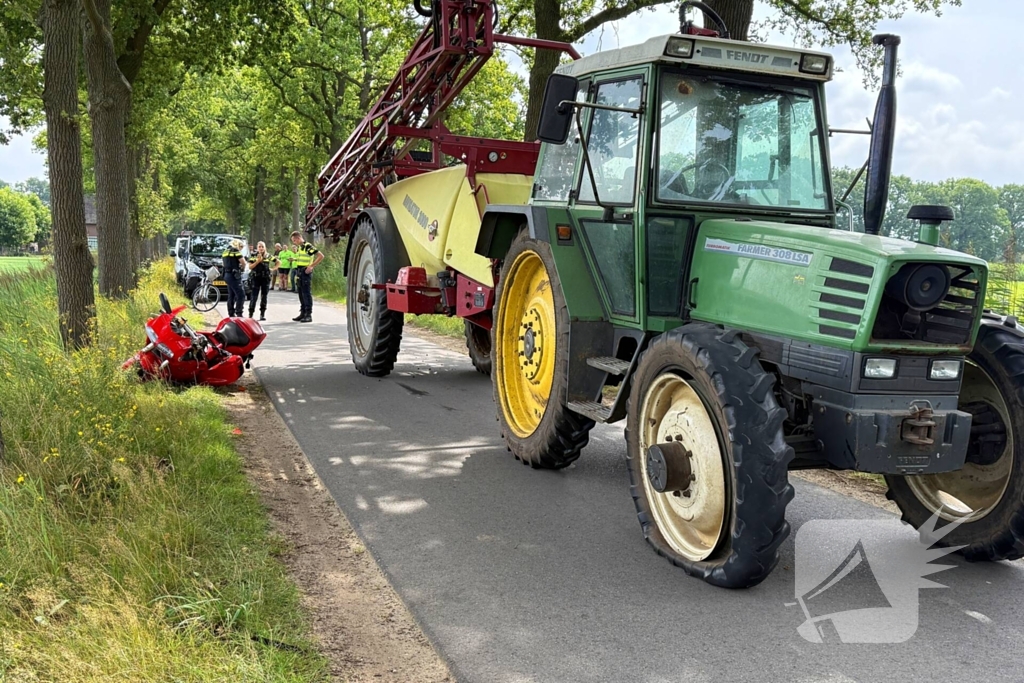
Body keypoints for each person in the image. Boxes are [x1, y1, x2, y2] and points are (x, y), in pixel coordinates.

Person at [290, 230, 323, 323]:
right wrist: (295, 259)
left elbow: (320, 256)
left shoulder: (307, 246)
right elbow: (303, 258)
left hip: (305, 272)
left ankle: (308, 314)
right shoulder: (300, 247)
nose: (294, 242)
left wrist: (311, 266)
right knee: (300, 293)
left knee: (306, 293)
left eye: (294, 240)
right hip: (299, 272)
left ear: (298, 238)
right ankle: (303, 312)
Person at [247, 241, 273, 321]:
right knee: (254, 296)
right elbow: (250, 267)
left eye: (262, 247)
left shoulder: (268, 256)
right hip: (256, 278)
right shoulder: (253, 255)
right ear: (257, 248)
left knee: (264, 296)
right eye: (259, 247)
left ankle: (262, 314)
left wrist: (273, 269)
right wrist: (257, 261)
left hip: (265, 278)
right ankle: (251, 314)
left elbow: (278, 262)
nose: (261, 248)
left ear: (265, 248)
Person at [222, 238, 246, 317]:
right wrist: (242, 268)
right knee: (241, 295)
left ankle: (231, 313)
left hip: (227, 275)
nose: (241, 249)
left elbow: (223, 264)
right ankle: (239, 313)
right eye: (241, 247)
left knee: (231, 295)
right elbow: (243, 262)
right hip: (234, 275)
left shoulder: (225, 251)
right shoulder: (235, 251)